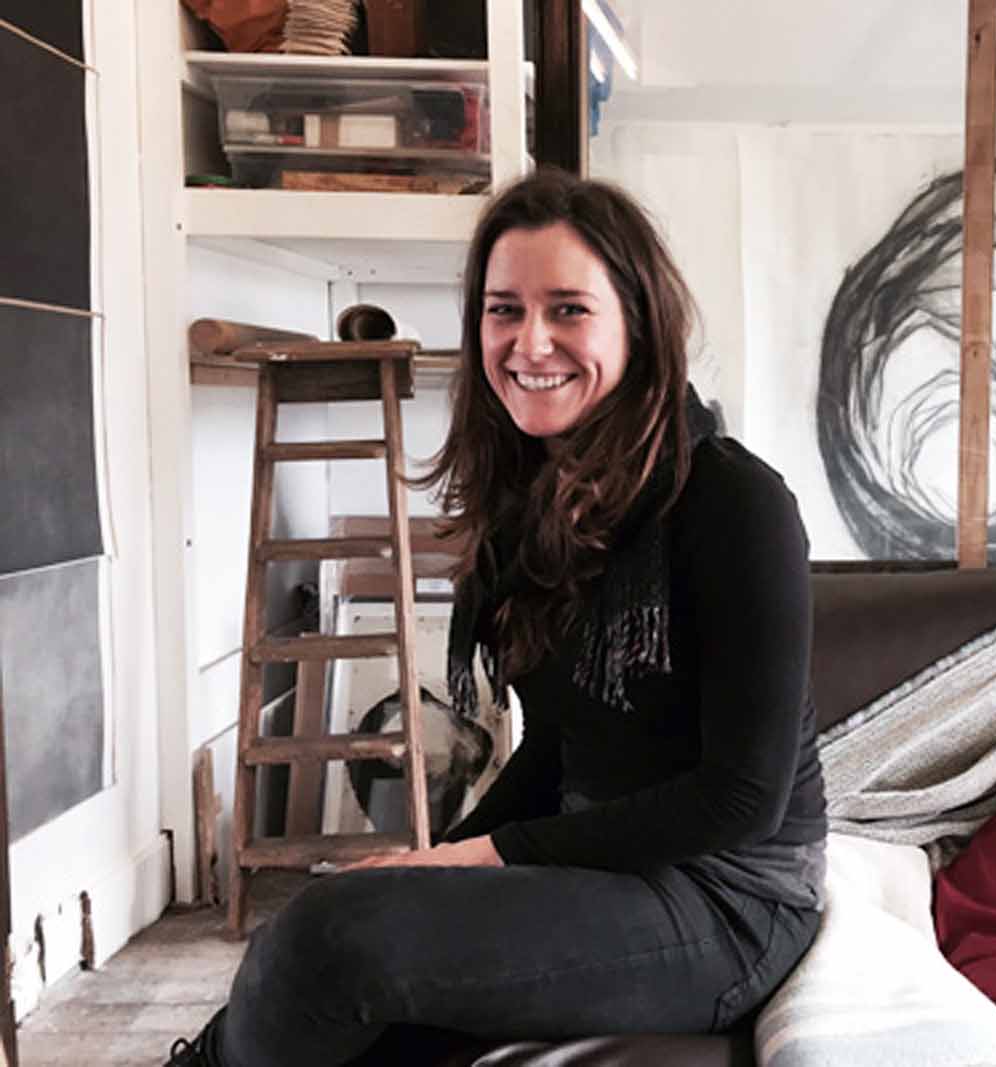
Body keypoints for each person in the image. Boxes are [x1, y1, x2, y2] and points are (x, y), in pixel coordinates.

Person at [166, 170, 828, 1066]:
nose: (530, 342)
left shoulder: (735, 502)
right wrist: (438, 860)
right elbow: (558, 745)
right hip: (607, 863)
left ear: (638, 323)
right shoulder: (533, 504)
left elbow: (741, 798)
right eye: (503, 310)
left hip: (729, 900)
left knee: (324, 941)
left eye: (568, 310)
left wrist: (484, 857)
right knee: (351, 979)